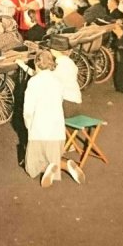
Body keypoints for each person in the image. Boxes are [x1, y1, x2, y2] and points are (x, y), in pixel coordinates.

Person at [22, 49, 83, 188]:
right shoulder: (57, 81)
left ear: (37, 64)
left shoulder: (34, 82)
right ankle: (65, 165)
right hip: (57, 129)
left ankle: (48, 168)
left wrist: (28, 125)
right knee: (52, 155)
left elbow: (28, 109)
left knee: (31, 169)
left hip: (39, 129)